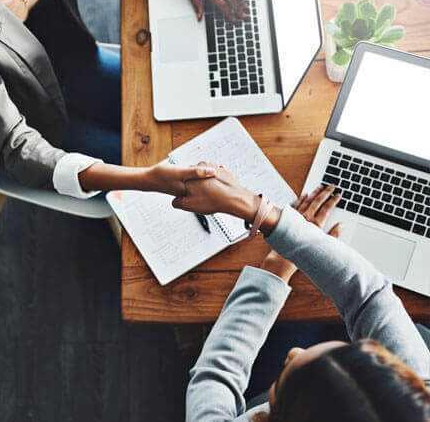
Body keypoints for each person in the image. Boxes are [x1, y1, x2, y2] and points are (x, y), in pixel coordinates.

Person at [0, 0, 247, 199]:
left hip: (86, 68)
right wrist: (147, 179)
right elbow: (17, 149)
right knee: (167, 165)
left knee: (196, 110)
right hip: (43, 125)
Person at [172, 163, 430, 421]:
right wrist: (259, 210)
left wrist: (274, 269)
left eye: (288, 382)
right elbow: (370, 295)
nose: (295, 352)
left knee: (296, 326)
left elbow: (215, 376)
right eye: (344, 352)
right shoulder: (414, 400)